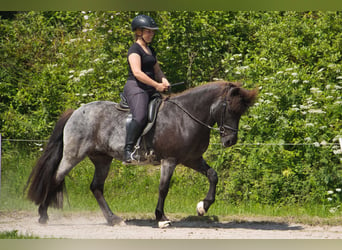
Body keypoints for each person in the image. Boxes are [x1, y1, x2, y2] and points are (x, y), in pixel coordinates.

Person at [123, 14, 170, 163]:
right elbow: (137, 73)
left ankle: (153, 148)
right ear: (139, 32)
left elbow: (157, 71)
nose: (152, 34)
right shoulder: (134, 50)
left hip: (150, 88)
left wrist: (164, 80)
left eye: (153, 31)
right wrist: (157, 85)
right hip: (136, 87)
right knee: (141, 116)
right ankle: (128, 151)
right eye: (148, 31)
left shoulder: (150, 50)